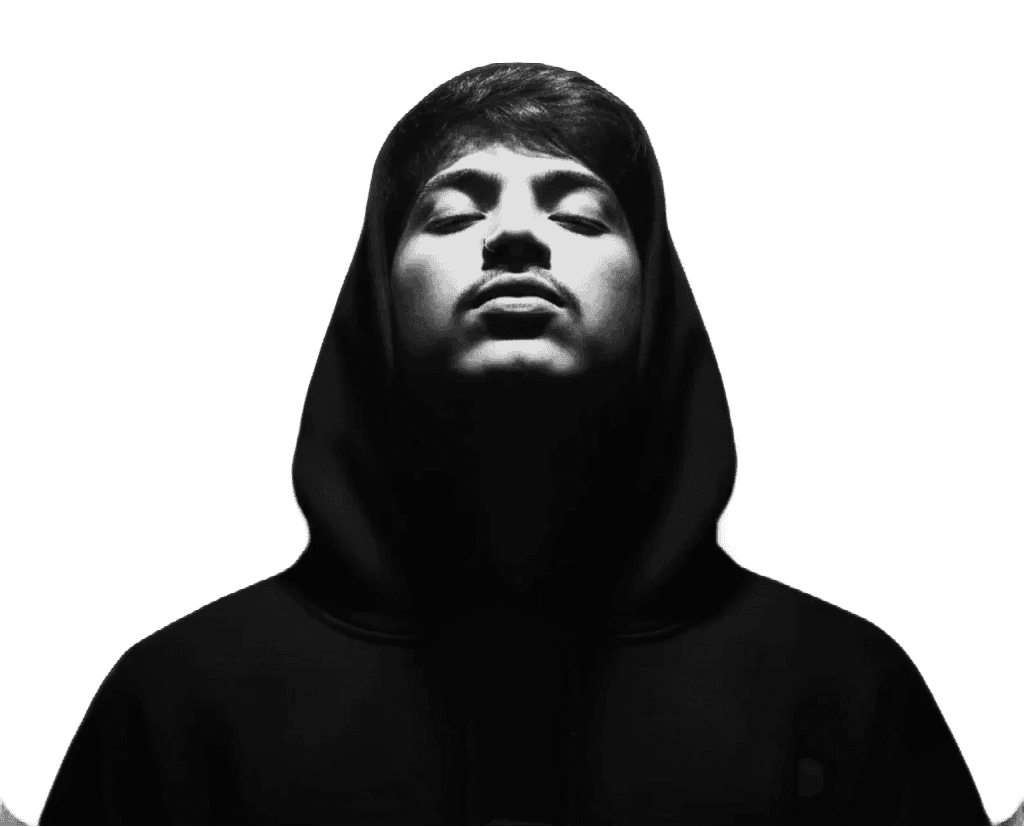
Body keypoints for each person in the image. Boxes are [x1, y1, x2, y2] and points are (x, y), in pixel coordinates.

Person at [35, 62, 1009, 826]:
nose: (514, 237)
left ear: (656, 299)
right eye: (453, 211)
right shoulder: (178, 697)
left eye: (577, 211)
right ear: (374, 297)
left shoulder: (842, 686)